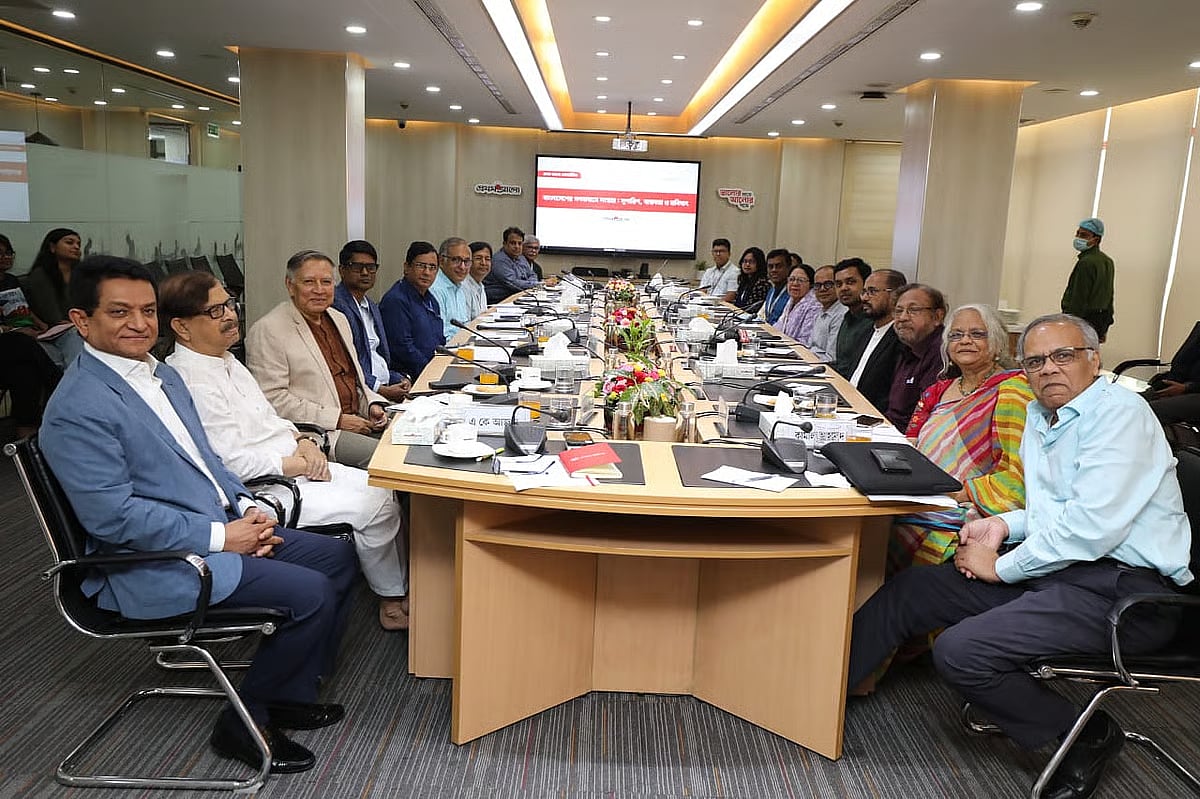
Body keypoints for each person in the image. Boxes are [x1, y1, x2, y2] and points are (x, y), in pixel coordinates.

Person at [848, 313, 1192, 799]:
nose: (1048, 368)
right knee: (915, 590)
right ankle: (823, 693)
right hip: (1064, 570)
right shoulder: (1039, 413)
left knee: (961, 651)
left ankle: (1086, 735)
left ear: (1094, 360)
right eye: (1035, 360)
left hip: (1126, 595)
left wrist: (1002, 564)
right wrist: (1004, 524)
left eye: (1063, 356)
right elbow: (1057, 509)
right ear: (1023, 368)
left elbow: (1090, 529)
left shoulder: (1120, 414)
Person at [40, 255, 357, 775]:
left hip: (216, 524)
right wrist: (222, 536)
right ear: (82, 321)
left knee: (338, 558)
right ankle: (244, 722)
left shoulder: (160, 375)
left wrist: (249, 509)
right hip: (153, 560)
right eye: (120, 312)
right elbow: (112, 518)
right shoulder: (80, 406)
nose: (140, 324)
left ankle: (287, 694)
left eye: (147, 310)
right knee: (311, 592)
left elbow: (207, 462)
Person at [161, 270, 411, 631]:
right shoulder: (190, 380)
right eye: (216, 311)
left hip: (295, 462)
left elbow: (270, 417)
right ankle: (391, 599)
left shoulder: (226, 360)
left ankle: (399, 584)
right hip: (264, 488)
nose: (231, 315)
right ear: (182, 327)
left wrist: (302, 440)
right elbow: (230, 463)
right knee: (373, 504)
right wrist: (296, 463)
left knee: (385, 483)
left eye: (229, 304)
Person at [890, 304, 1034, 573]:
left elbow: (1018, 479)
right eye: (956, 335)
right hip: (924, 492)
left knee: (888, 527)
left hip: (968, 508)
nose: (965, 340)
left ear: (998, 343)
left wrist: (959, 491)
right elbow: (911, 444)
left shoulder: (1013, 392)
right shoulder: (938, 390)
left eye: (977, 334)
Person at [246, 250, 389, 469]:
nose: (319, 290)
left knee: (416, 442)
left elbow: (353, 380)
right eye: (309, 282)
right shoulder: (268, 330)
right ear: (290, 285)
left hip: (359, 419)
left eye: (326, 282)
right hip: (319, 434)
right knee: (391, 461)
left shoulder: (339, 319)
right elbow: (272, 400)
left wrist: (371, 405)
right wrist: (338, 420)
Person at [331, 240, 412, 403]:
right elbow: (346, 364)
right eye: (357, 267)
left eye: (371, 267)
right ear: (342, 270)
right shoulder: (336, 306)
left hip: (386, 386)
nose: (365, 272)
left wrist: (401, 379)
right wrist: (380, 390)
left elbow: (377, 356)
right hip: (364, 395)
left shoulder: (372, 306)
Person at [379, 241, 446, 379]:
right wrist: (432, 371)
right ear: (407, 267)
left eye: (432, 267)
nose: (427, 272)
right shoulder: (396, 300)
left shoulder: (431, 299)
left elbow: (439, 339)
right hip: (409, 376)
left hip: (431, 369)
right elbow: (404, 349)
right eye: (421, 266)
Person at [886, 283, 948, 429]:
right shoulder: (908, 348)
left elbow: (924, 419)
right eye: (898, 311)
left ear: (937, 317)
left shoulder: (942, 353)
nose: (902, 317)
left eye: (913, 310)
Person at [845, 269, 905, 415]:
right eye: (864, 292)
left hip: (870, 417)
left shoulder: (900, 339)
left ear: (895, 296)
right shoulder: (866, 331)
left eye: (872, 292)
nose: (864, 298)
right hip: (847, 406)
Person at [23, 227, 84, 367]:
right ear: (52, 247)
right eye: (70, 242)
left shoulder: (83, 275)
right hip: (55, 331)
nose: (76, 247)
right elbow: (53, 317)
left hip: (80, 326)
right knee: (74, 336)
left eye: (78, 244)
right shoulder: (40, 275)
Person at [1061, 217, 1114, 342]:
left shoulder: (1086, 263)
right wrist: (1104, 327)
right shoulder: (1107, 261)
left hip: (1082, 321)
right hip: (1099, 320)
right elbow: (1109, 296)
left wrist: (1069, 323)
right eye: (1078, 233)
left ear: (1095, 240)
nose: (1078, 237)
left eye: (1083, 235)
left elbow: (1078, 297)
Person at [1141, 321, 1200, 426]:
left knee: (1148, 411)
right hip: (1182, 385)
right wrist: (1170, 385)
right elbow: (1181, 362)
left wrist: (1186, 388)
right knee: (1129, 403)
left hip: (1193, 391)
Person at [832, 257, 873, 376]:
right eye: (838, 284)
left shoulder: (872, 322)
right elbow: (842, 363)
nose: (844, 288)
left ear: (866, 284)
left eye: (850, 282)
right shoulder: (847, 318)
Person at [428, 237, 472, 340]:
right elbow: (442, 335)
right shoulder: (435, 289)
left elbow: (465, 325)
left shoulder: (459, 286)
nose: (462, 267)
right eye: (456, 260)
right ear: (442, 261)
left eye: (466, 261)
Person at [484, 226, 538, 303]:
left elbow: (532, 275)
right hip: (498, 301)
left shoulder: (521, 257)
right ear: (504, 244)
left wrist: (533, 284)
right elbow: (513, 283)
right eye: (513, 243)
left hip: (516, 297)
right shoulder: (499, 260)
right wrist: (535, 285)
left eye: (519, 243)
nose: (517, 247)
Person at [805, 265, 847, 363]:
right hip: (810, 362)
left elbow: (831, 359)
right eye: (817, 285)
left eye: (828, 284)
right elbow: (810, 346)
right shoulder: (821, 310)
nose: (822, 289)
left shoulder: (841, 314)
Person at [777, 262, 820, 342]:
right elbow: (778, 327)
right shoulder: (791, 300)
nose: (795, 283)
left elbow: (805, 339)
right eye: (792, 279)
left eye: (801, 280)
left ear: (811, 284)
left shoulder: (814, 306)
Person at [759, 248, 792, 325]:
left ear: (789, 268)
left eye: (778, 266)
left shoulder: (792, 292)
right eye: (770, 267)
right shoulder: (771, 290)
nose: (774, 270)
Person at [732, 246, 769, 311]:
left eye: (751, 262)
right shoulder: (744, 280)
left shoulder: (762, 284)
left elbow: (753, 308)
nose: (747, 264)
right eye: (745, 261)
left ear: (759, 264)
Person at [464, 241, 492, 320]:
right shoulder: (464, 287)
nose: (483, 263)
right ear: (468, 262)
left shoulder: (480, 285)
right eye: (478, 258)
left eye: (487, 259)